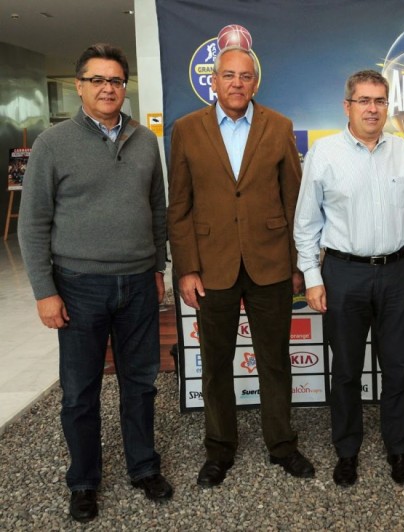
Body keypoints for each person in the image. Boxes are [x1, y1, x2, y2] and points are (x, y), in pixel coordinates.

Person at [18, 43, 172, 523]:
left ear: (125, 87)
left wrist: (158, 266)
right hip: (79, 286)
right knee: (80, 391)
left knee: (141, 384)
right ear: (80, 85)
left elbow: (158, 210)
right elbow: (33, 223)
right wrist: (45, 291)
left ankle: (143, 466)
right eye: (98, 80)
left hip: (139, 284)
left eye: (116, 81)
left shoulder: (145, 140)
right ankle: (84, 480)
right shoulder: (52, 144)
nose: (109, 89)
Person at [294, 69, 404, 487]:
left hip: (397, 273)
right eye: (364, 100)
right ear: (347, 106)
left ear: (387, 106)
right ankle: (347, 451)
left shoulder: (403, 151)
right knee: (345, 369)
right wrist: (312, 276)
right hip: (343, 273)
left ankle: (398, 450)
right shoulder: (324, 154)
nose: (372, 108)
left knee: (398, 368)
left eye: (380, 101)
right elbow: (306, 223)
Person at [167, 45, 314, 487]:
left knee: (274, 361)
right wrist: (187, 269)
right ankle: (219, 449)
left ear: (255, 82)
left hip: (271, 264)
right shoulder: (187, 129)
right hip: (212, 269)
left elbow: (295, 200)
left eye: (245, 76)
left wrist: (297, 264)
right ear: (214, 81)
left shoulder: (279, 126)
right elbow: (180, 207)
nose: (236, 83)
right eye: (228, 75)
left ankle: (282, 445)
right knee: (215, 364)